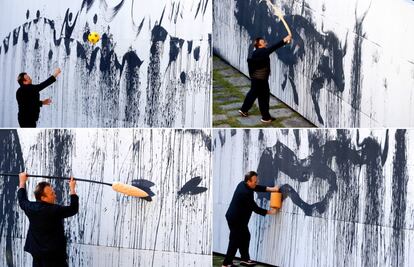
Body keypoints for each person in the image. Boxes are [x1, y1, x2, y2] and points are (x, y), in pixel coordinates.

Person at [17, 172, 78, 267]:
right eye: (52, 194)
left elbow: (22, 200)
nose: (55, 195)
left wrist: (22, 181)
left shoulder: (30, 208)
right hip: (55, 258)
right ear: (43, 197)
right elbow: (73, 209)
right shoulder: (55, 210)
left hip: (37, 256)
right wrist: (72, 188)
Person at [222, 171, 280, 267]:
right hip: (236, 219)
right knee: (235, 240)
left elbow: (256, 187)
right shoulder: (245, 193)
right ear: (248, 181)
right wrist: (270, 212)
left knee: (245, 236)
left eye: (257, 181)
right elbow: (255, 208)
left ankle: (244, 259)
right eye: (255, 182)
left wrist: (272, 189)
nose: (256, 183)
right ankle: (226, 264)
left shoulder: (244, 184)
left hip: (239, 219)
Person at [238, 33, 292, 123]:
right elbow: (274, 47)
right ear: (259, 44)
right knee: (263, 97)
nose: (265, 43)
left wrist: (286, 42)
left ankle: (244, 110)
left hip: (256, 79)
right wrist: (285, 40)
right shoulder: (262, 51)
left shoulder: (256, 52)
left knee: (253, 94)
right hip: (261, 80)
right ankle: (265, 117)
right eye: (263, 42)